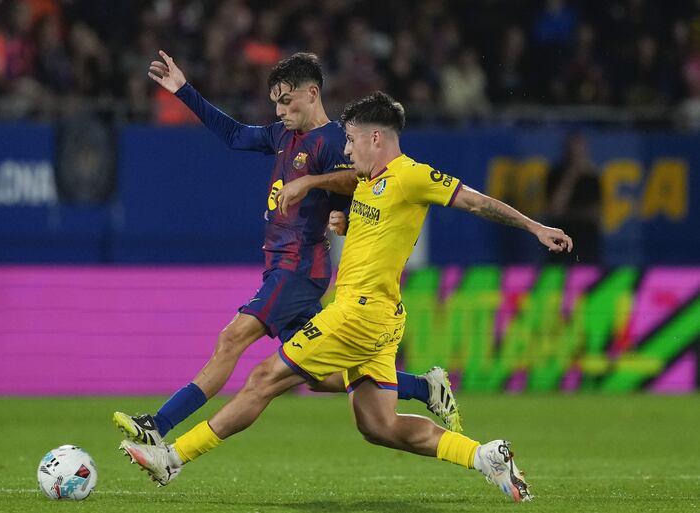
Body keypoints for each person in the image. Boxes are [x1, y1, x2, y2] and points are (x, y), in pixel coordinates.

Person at [119, 91, 573, 502]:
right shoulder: (369, 182)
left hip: (358, 314)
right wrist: (342, 218)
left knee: (263, 378)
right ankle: (484, 456)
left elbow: (475, 200)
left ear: (377, 138)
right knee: (379, 426)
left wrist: (535, 227)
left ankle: (172, 457)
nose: (348, 150)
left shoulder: (410, 175)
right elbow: (373, 223)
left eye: (352, 140)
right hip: (380, 318)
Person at [113, 52, 463, 447]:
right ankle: (424, 387)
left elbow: (360, 181)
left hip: (298, 268)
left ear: (312, 94)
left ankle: (158, 426)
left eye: (286, 100)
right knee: (317, 375)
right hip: (282, 266)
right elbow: (235, 135)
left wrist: (321, 193)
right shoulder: (282, 135)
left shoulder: (335, 140)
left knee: (232, 339)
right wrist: (183, 90)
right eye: (275, 103)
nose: (279, 110)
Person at [546, 132, 601, 263]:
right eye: (574, 149)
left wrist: (574, 213)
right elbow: (555, 209)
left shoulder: (592, 177)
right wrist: (572, 175)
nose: (577, 154)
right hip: (562, 235)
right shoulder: (556, 174)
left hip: (586, 239)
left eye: (581, 149)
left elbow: (596, 214)